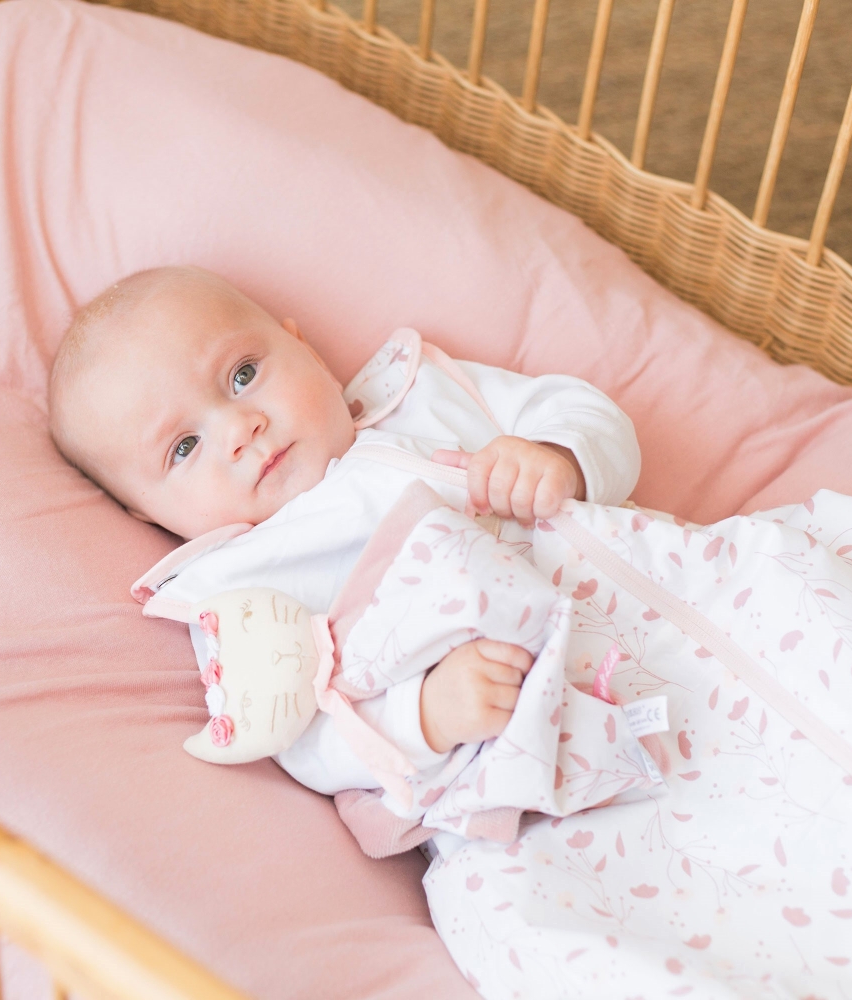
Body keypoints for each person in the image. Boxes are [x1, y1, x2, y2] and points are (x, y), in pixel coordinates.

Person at [49, 264, 642, 787]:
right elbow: (302, 740)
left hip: (650, 602)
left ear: (302, 347)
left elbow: (589, 415)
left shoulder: (420, 395)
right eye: (184, 447)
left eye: (242, 375)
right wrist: (424, 716)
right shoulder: (245, 594)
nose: (239, 428)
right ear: (150, 515)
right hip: (539, 758)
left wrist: (555, 457)